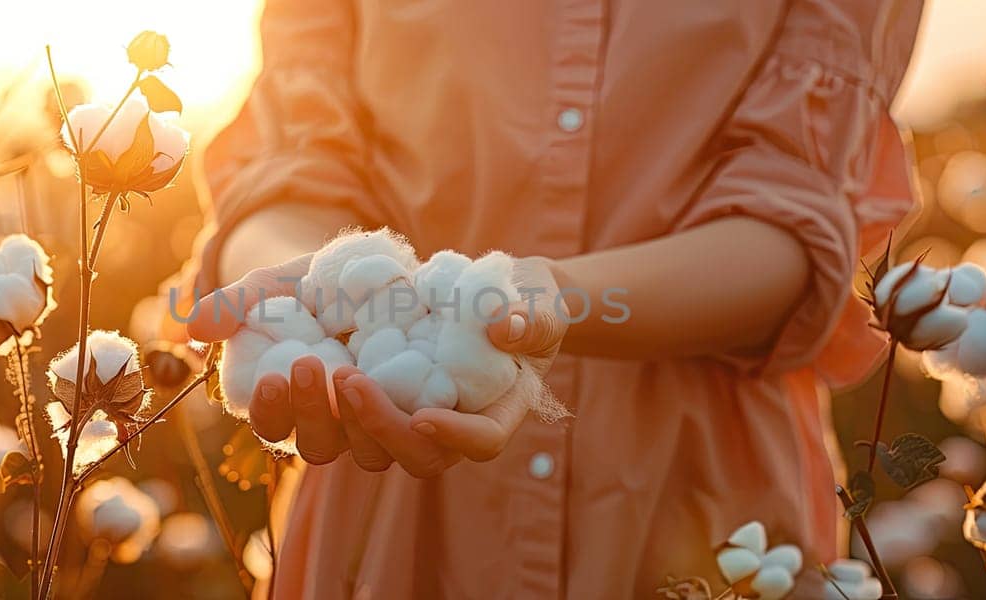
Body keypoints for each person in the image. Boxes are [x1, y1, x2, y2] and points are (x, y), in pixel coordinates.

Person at [185, 0, 924, 596]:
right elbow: (290, 171)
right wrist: (312, 275)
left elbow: (792, 231)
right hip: (386, 524)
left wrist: (559, 300)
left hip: (702, 518)